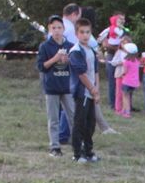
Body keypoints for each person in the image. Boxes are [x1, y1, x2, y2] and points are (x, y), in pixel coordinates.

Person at [37, 15, 74, 157]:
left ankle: (78, 144)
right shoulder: (45, 46)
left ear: (64, 29)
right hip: (52, 87)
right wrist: (55, 59)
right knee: (53, 119)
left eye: (59, 27)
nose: (57, 31)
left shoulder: (70, 46)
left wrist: (68, 60)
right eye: (54, 28)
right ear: (49, 29)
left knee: (73, 116)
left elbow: (77, 66)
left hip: (67, 87)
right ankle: (55, 147)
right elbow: (42, 66)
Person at [68, 18, 100, 163]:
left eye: (87, 32)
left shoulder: (91, 50)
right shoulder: (75, 51)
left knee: (91, 123)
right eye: (82, 32)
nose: (85, 35)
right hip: (82, 93)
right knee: (79, 123)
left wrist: (97, 90)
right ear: (76, 34)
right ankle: (77, 153)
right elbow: (81, 74)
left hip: (92, 93)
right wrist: (92, 89)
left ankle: (88, 151)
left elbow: (96, 72)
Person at [119, 42, 141, 117]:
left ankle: (127, 112)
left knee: (125, 97)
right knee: (128, 96)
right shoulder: (137, 61)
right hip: (134, 83)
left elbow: (125, 71)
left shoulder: (126, 62)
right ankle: (124, 110)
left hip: (127, 82)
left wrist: (121, 74)